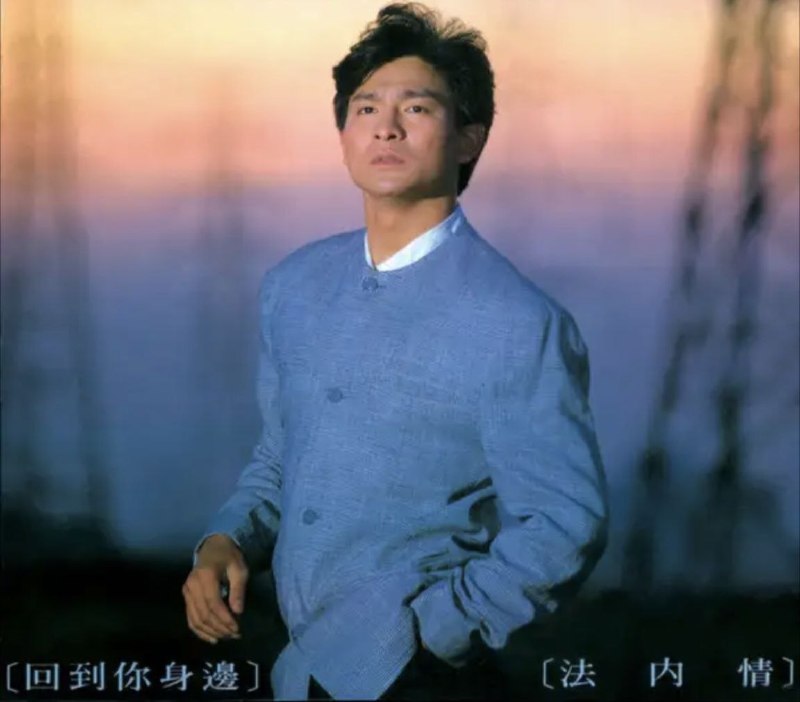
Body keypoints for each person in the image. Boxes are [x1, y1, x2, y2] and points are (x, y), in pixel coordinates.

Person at [182, 2, 609, 700]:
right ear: (344, 135)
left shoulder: (516, 321)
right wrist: (225, 541)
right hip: (300, 670)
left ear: (468, 139)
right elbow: (282, 458)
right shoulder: (295, 287)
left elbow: (564, 524)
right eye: (365, 107)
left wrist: (432, 632)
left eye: (416, 108)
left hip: (419, 678)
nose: (386, 126)